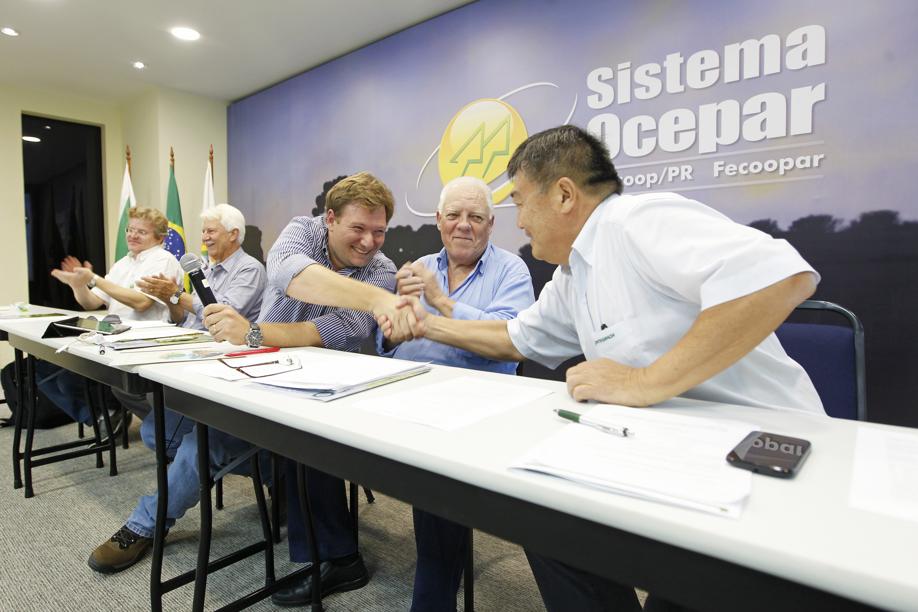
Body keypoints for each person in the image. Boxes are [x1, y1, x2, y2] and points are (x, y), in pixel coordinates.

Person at [380, 125, 823, 612]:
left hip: (756, 461)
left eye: (523, 202)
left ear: (564, 195)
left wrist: (643, 382)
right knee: (547, 519)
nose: (520, 221)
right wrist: (429, 327)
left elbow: (781, 277)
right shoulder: (574, 273)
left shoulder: (637, 221)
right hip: (677, 450)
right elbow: (514, 338)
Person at [204, 171, 415, 607]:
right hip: (263, 368)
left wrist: (255, 333)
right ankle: (280, 489)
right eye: (358, 228)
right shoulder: (302, 230)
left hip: (327, 387)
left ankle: (339, 558)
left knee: (305, 442)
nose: (369, 242)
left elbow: (337, 331)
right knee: (197, 432)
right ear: (330, 219)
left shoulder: (383, 270)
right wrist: (373, 300)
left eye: (379, 231)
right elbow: (289, 274)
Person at [379, 176, 534, 611]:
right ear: (439, 221)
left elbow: (508, 338)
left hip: (476, 407)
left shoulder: (511, 270)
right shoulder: (418, 266)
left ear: (491, 224)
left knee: (436, 491)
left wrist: (440, 302)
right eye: (454, 215)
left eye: (475, 217)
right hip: (404, 397)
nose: (464, 225)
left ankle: (432, 599)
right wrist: (391, 333)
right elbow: (385, 339)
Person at [87, 203, 266, 574]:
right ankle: (267, 472)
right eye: (202, 232)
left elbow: (220, 316)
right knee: (154, 430)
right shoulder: (204, 270)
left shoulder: (250, 269)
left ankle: (144, 527)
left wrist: (175, 295)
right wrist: (176, 304)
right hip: (195, 367)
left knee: (197, 446)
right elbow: (185, 319)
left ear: (234, 234)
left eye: (211, 231)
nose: (203, 238)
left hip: (233, 377)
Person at [41, 206, 183, 430]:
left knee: (113, 386)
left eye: (141, 232)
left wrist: (94, 278)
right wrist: (78, 286)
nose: (132, 235)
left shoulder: (162, 260)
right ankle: (110, 417)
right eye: (130, 229)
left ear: (159, 237)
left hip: (146, 341)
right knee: (60, 376)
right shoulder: (123, 263)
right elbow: (91, 303)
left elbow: (141, 302)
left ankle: (167, 431)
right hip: (113, 337)